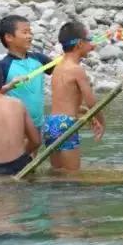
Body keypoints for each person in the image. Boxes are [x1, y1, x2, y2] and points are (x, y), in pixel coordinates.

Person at [39, 22, 104, 172]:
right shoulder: (76, 70)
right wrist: (101, 121)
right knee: (72, 175)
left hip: (51, 124)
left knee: (57, 172)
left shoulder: (58, 68)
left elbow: (66, 103)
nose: (92, 43)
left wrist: (88, 116)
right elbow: (91, 101)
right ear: (80, 44)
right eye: (90, 39)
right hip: (66, 125)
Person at [0, 15, 55, 132]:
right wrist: (10, 86)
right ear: (8, 37)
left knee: (34, 149)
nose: (30, 36)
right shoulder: (3, 66)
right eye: (25, 32)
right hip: (15, 125)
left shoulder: (39, 59)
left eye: (30, 32)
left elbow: (62, 70)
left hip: (38, 123)